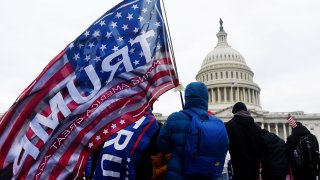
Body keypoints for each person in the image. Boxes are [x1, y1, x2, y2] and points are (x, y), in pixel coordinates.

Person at [157, 82, 228, 180]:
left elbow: (162, 145)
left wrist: (172, 154)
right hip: (208, 175)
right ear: (206, 98)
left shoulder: (174, 118)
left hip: (179, 174)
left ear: (187, 97)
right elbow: (224, 147)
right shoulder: (217, 122)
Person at [225, 102, 264, 180]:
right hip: (254, 167)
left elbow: (226, 145)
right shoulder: (257, 127)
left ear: (235, 113)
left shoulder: (230, 125)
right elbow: (261, 147)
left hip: (238, 166)